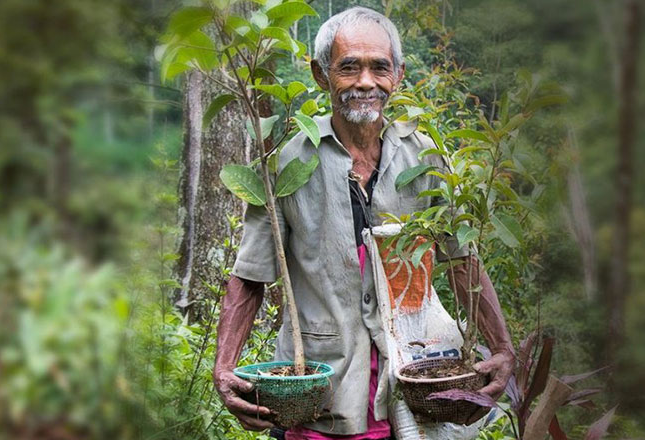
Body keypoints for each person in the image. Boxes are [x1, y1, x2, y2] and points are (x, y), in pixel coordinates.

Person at [212, 7, 515, 439]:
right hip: (320, 388)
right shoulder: (287, 161)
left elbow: (462, 260)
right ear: (321, 75)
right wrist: (224, 367)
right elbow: (251, 275)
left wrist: (502, 347)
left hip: (412, 378)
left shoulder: (424, 156)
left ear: (399, 75)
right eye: (349, 67)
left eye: (380, 67)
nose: (366, 82)